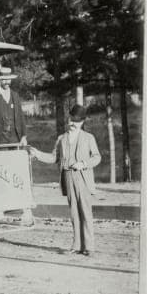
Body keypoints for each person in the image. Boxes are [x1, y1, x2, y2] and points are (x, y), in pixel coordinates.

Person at [29, 104, 101, 256]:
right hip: (68, 177)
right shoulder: (61, 138)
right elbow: (54, 157)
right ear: (69, 119)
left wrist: (83, 164)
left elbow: (97, 157)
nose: (74, 123)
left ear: (82, 122)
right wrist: (38, 154)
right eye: (72, 120)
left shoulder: (89, 138)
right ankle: (76, 245)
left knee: (85, 212)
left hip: (83, 178)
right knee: (74, 213)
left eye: (78, 121)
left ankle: (89, 247)